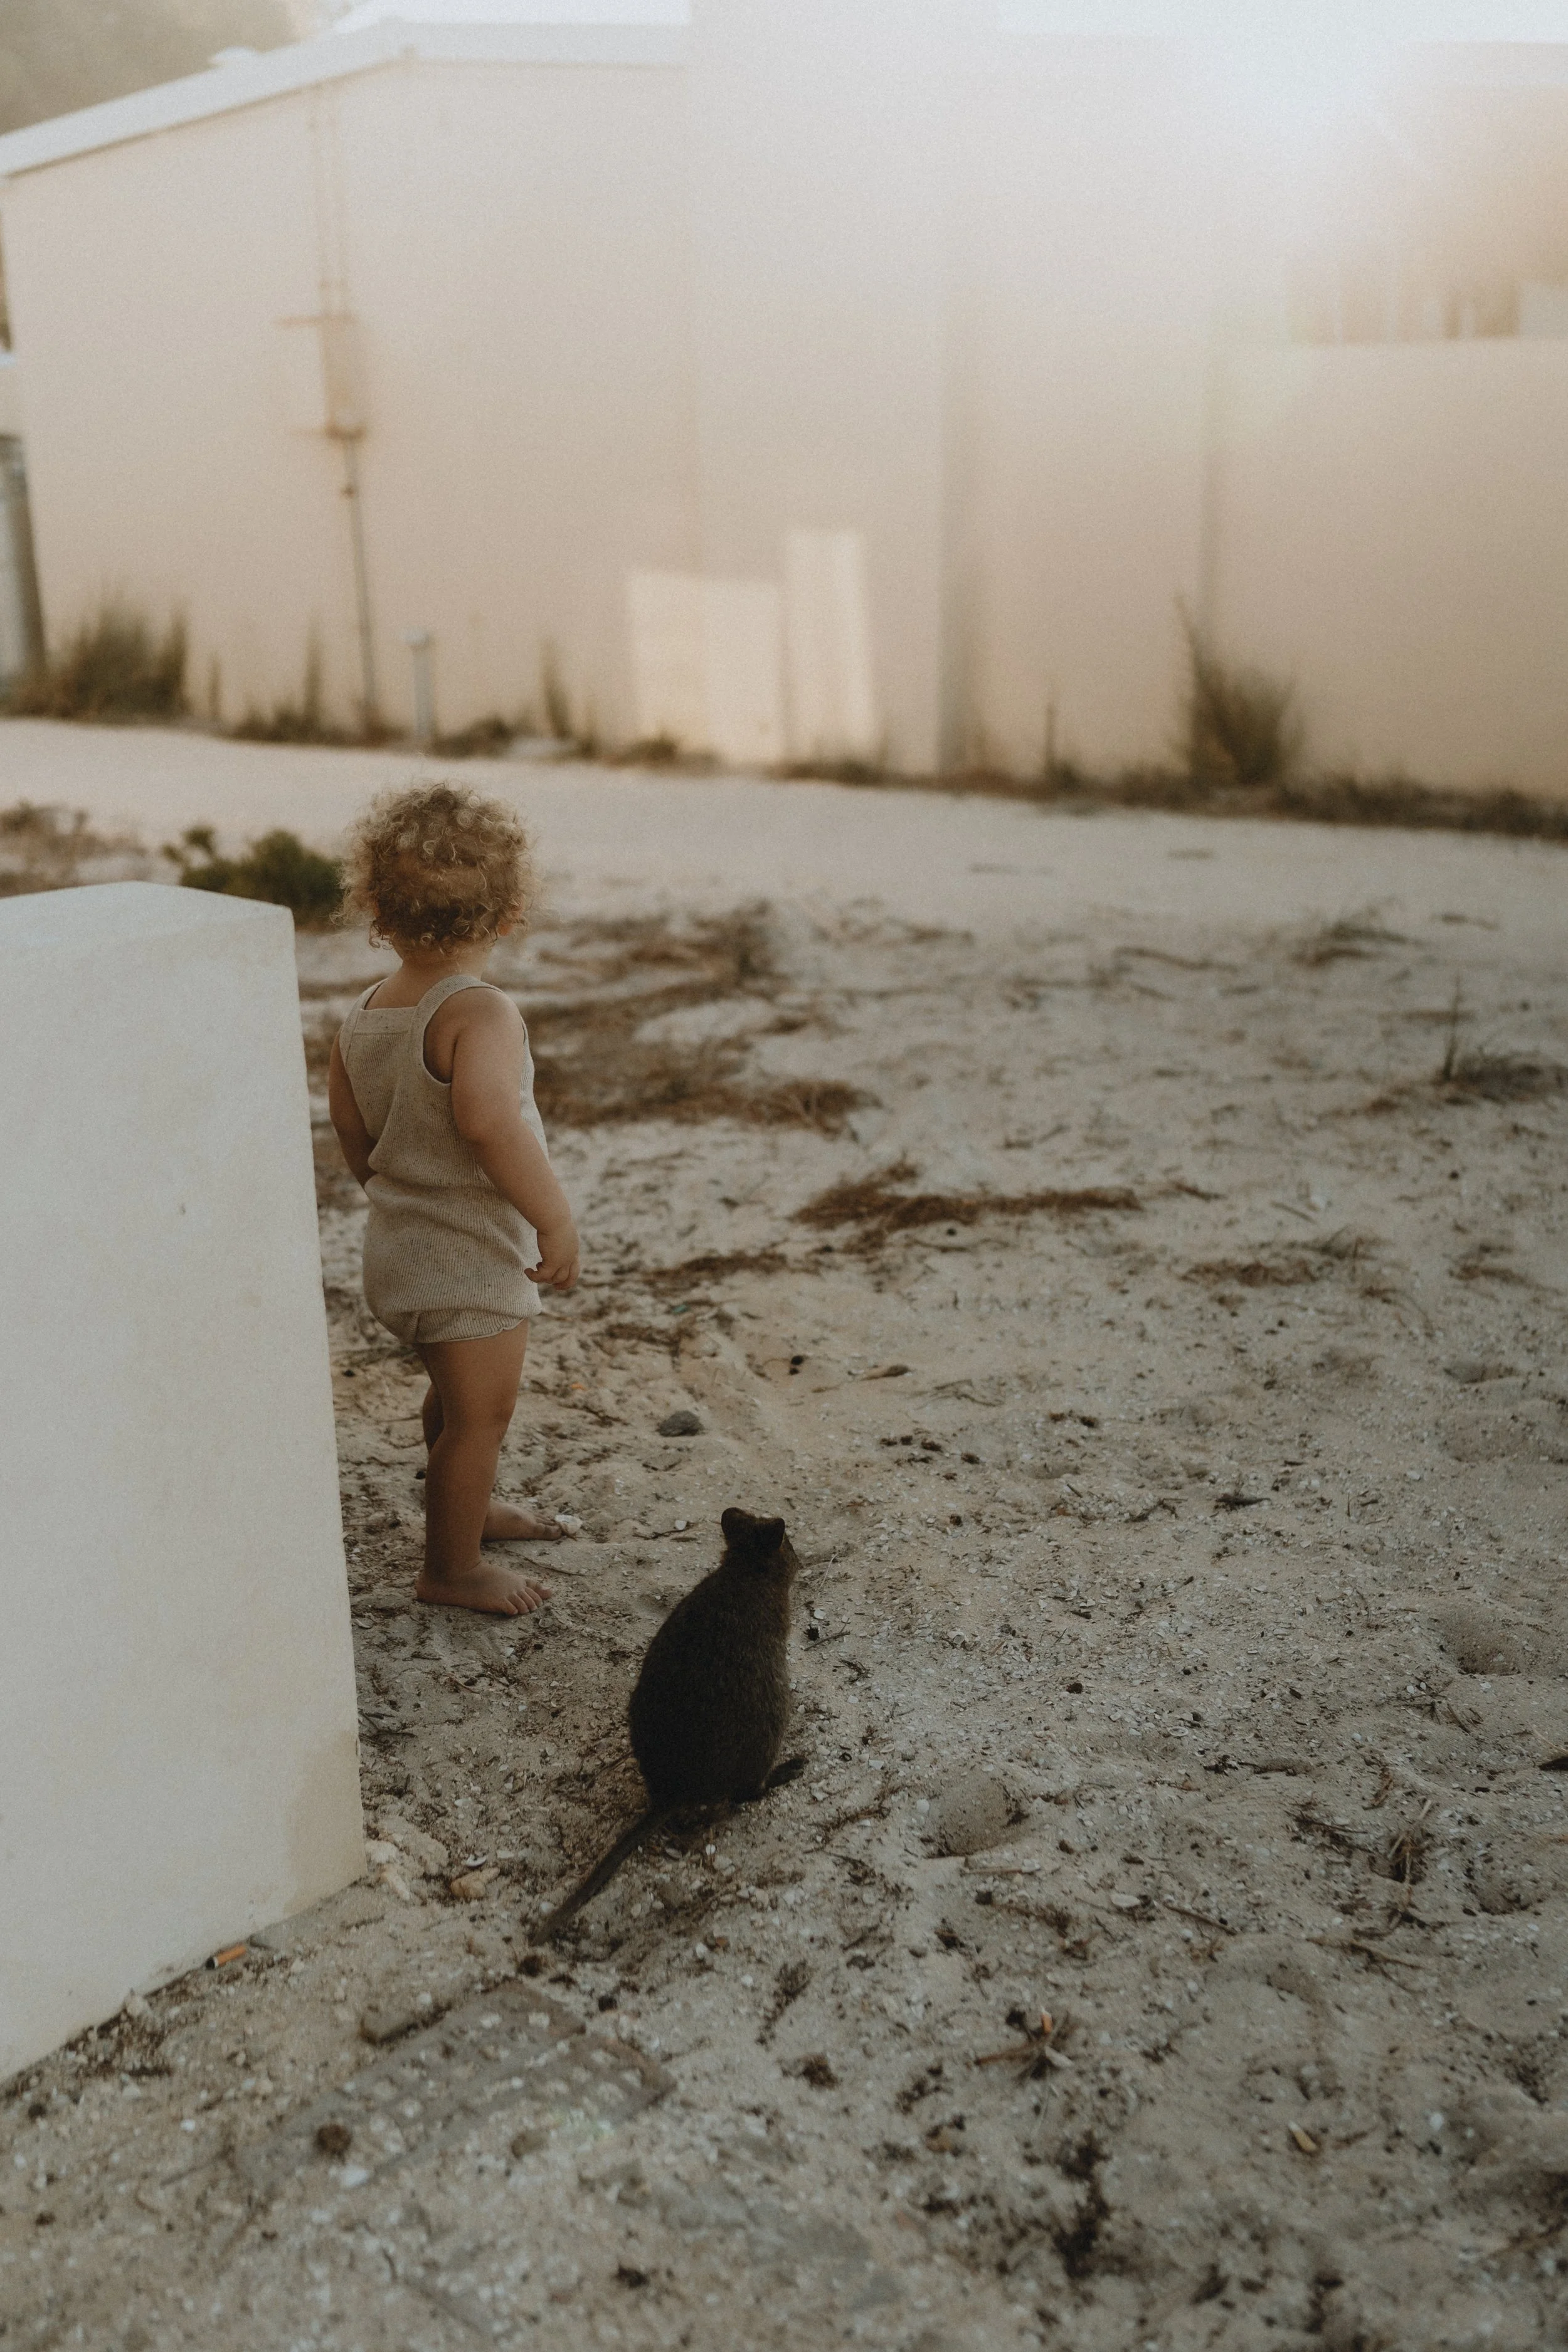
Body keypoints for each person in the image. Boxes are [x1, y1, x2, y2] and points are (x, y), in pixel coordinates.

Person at [328, 781, 580, 1615]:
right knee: (482, 1415)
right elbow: (489, 1119)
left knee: (453, 1396)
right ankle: (451, 1567)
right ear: (509, 914)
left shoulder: (363, 1014)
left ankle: (466, 1513)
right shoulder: (480, 1012)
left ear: (374, 906)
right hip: (470, 1259)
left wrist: (394, 1197)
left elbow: (351, 1128)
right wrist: (552, 1215)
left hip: (399, 1252)